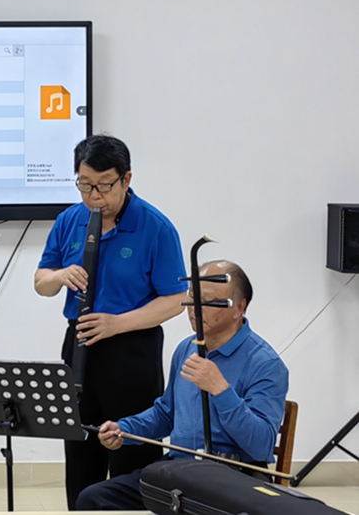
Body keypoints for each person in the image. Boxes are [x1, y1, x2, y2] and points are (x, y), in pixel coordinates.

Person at [34, 134, 188, 509]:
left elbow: (175, 300)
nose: (94, 197)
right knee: (80, 450)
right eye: (85, 185)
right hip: (79, 346)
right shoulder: (70, 219)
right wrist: (60, 276)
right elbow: (41, 282)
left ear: (126, 179)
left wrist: (117, 324)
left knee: (132, 452)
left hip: (132, 348)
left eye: (104, 186)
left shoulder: (155, 226)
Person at [77, 260, 289, 510]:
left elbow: (261, 445)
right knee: (94, 498)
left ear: (239, 308)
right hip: (180, 469)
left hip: (235, 475)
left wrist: (220, 390)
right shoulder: (187, 348)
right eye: (192, 299)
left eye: (208, 301)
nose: (195, 310)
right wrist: (124, 429)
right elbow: (166, 413)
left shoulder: (265, 363)